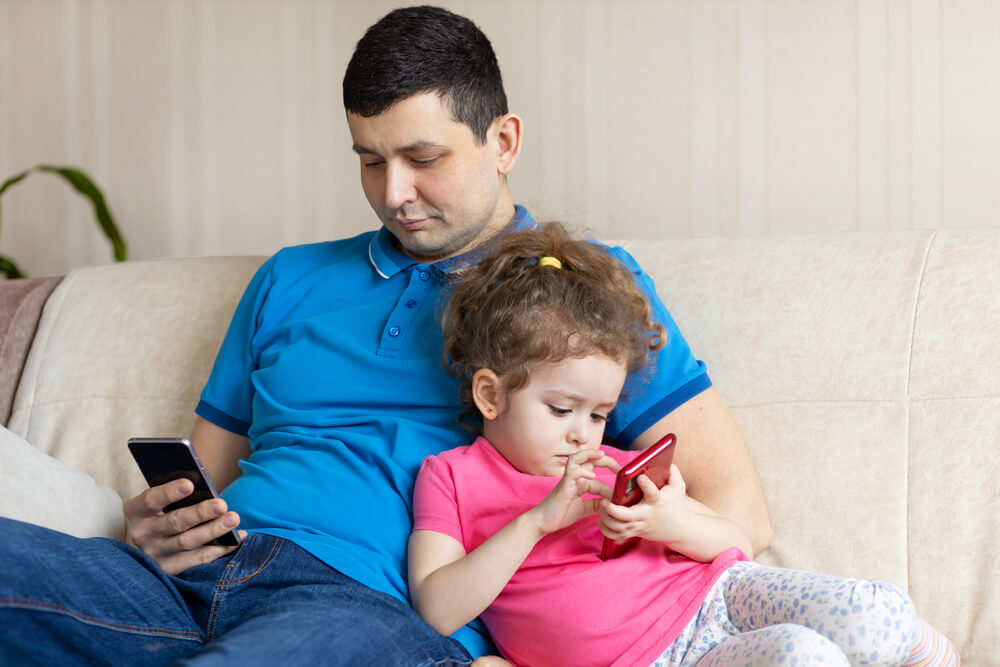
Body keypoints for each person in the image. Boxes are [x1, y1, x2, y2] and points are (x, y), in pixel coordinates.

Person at [0, 6, 769, 665]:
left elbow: (738, 510)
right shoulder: (288, 278)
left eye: (422, 158)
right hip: (187, 582)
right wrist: (154, 526)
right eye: (370, 160)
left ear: (503, 141)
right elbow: (201, 479)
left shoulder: (580, 290)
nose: (394, 193)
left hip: (364, 605)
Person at [409, 221, 960, 667]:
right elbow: (436, 608)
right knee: (804, 655)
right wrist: (535, 523)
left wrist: (669, 521)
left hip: (721, 595)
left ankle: (932, 656)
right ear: (491, 395)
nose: (582, 432)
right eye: (560, 409)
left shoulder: (616, 468)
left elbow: (735, 542)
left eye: (599, 414)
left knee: (878, 615)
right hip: (653, 660)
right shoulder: (451, 477)